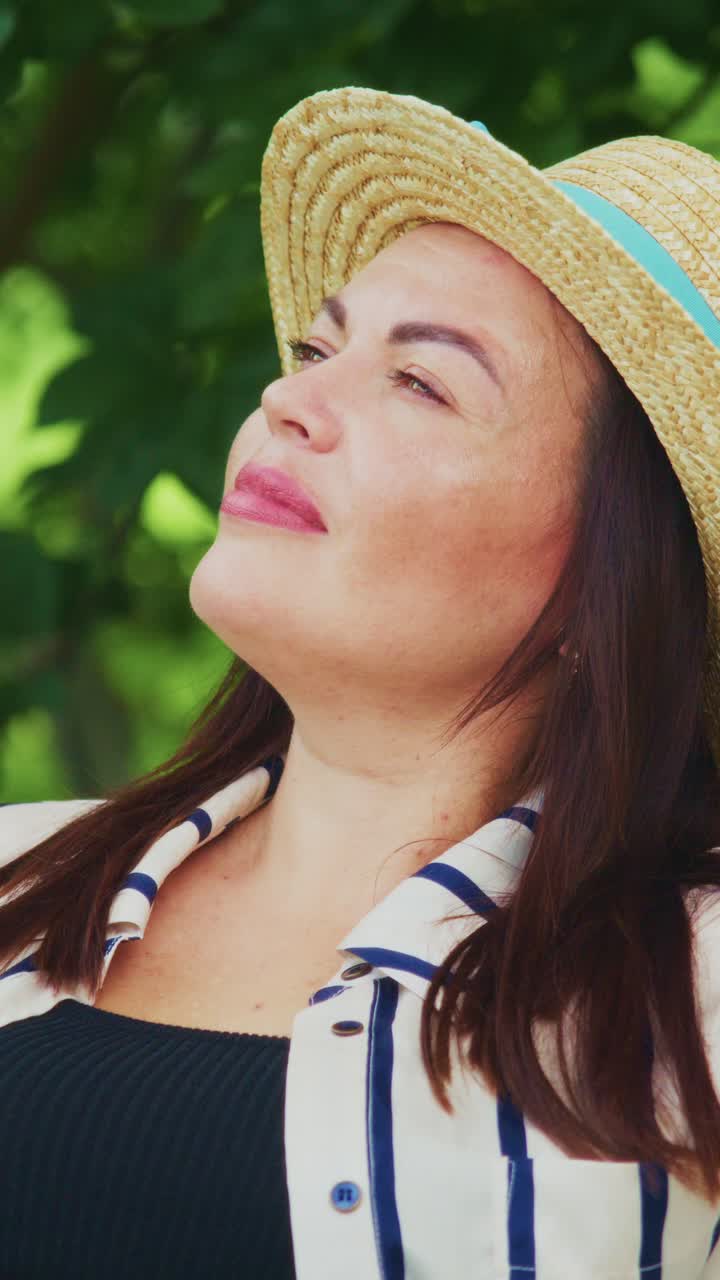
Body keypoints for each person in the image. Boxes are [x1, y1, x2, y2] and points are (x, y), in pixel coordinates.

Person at [1, 85, 720, 1280]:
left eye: (422, 383)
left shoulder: (692, 989)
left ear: (608, 574)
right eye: (317, 350)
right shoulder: (16, 878)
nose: (289, 401)